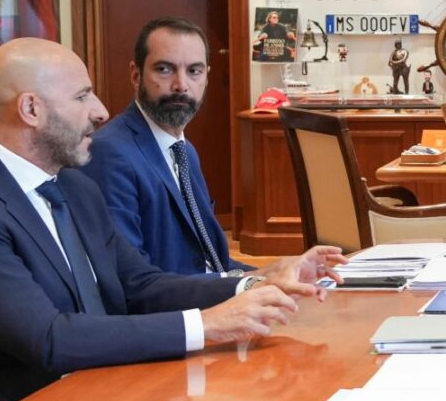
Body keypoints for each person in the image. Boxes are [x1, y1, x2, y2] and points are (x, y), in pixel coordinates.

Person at [0, 38, 338, 401]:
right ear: (31, 109)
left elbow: (140, 286)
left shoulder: (73, 185)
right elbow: (49, 340)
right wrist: (205, 326)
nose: (101, 111)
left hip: (104, 396)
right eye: (82, 96)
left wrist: (255, 284)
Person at [81, 17, 345, 280]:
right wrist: (251, 284)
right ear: (136, 75)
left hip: (210, 296)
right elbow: (133, 281)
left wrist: (277, 274)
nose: (181, 85)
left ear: (206, 77)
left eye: (194, 71)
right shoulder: (110, 153)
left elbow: (213, 263)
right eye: (164, 69)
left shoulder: (184, 151)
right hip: (176, 306)